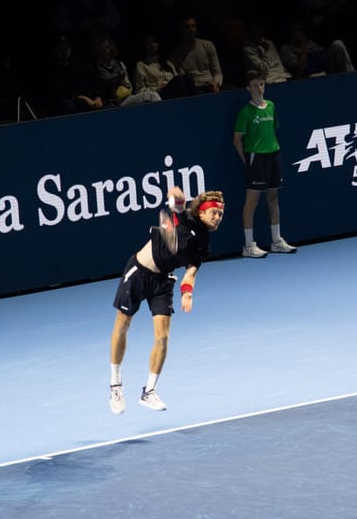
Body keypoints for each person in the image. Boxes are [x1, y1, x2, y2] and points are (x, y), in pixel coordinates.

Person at [109, 187, 225, 413]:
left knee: (162, 337)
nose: (218, 217)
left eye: (221, 214)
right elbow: (178, 203)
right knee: (122, 327)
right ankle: (115, 385)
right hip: (138, 273)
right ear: (201, 213)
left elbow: (191, 272)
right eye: (214, 213)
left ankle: (149, 391)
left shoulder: (204, 243)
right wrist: (176, 195)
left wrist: (187, 293)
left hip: (163, 282)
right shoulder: (187, 218)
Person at [233, 70, 297, 258]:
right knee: (252, 202)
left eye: (262, 84)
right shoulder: (245, 112)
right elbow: (236, 140)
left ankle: (276, 241)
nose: (260, 88)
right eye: (255, 85)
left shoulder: (271, 106)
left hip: (274, 155)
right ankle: (248, 246)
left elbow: (272, 131)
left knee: (273, 197)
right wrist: (248, 161)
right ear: (248, 88)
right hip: (256, 157)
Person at [169, 17, 228, 93]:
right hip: (195, 88)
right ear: (182, 30)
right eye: (187, 27)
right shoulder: (177, 53)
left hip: (212, 83)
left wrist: (216, 83)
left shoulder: (207, 45)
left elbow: (217, 71)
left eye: (193, 26)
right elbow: (183, 79)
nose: (191, 30)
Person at [133, 32, 198, 100]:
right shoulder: (141, 65)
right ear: (144, 46)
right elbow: (139, 90)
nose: (152, 45)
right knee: (180, 81)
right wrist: (158, 88)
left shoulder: (167, 63)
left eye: (154, 42)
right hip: (158, 94)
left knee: (188, 77)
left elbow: (177, 78)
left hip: (174, 91)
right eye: (148, 43)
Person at [280, 20, 354, 79]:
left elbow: (322, 54)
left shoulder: (309, 42)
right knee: (317, 76)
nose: (297, 33)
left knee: (338, 44)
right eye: (294, 31)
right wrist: (303, 48)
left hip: (324, 69)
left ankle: (352, 77)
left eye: (299, 30)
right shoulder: (286, 49)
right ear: (290, 33)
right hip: (306, 77)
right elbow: (300, 69)